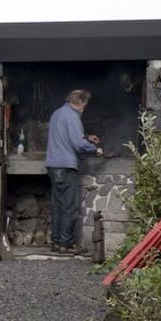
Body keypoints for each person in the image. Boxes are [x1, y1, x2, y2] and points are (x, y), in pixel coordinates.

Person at [45, 89, 102, 254]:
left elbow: (66, 136)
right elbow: (78, 144)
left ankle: (56, 242)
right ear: (78, 103)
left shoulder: (58, 113)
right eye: (85, 104)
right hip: (66, 166)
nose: (85, 107)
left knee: (58, 205)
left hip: (53, 165)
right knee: (70, 206)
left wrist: (87, 136)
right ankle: (66, 244)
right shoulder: (72, 116)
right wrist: (95, 149)